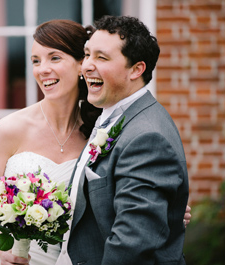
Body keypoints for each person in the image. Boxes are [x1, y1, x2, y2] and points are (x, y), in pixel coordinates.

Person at [0, 19, 190, 265]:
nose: (42, 69)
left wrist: (167, 211)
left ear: (79, 65)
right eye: (35, 60)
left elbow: (123, 203)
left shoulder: (102, 129)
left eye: (54, 58)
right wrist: (3, 250)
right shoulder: (9, 128)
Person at [66, 16, 189, 265]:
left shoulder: (147, 137)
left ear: (136, 69)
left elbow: (133, 243)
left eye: (101, 57)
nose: (87, 66)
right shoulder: (114, 116)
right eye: (87, 54)